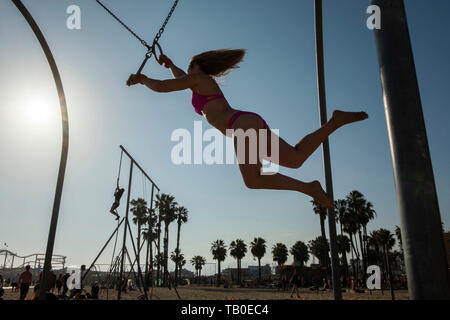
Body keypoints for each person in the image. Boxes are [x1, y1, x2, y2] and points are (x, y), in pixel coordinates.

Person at [126, 49, 368, 209]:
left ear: (197, 68)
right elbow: (180, 77)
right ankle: (334, 122)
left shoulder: (199, 80)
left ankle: (309, 188)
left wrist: (142, 79)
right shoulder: (198, 82)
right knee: (295, 159)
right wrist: (169, 63)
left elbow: (162, 87)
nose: (186, 74)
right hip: (246, 122)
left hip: (239, 126)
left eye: (189, 69)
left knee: (253, 180)